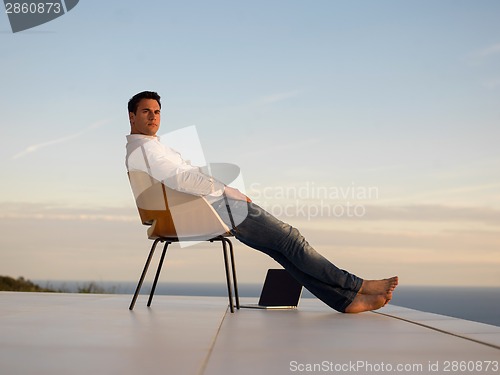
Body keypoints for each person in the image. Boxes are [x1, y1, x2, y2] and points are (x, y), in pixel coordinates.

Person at [125, 91, 398, 313]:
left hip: (201, 210)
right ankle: (358, 285)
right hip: (214, 208)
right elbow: (181, 180)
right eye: (146, 111)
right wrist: (226, 190)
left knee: (282, 249)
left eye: (157, 111)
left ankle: (345, 300)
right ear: (132, 116)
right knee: (291, 240)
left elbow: (180, 178)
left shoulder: (145, 148)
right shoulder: (146, 149)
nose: (153, 117)